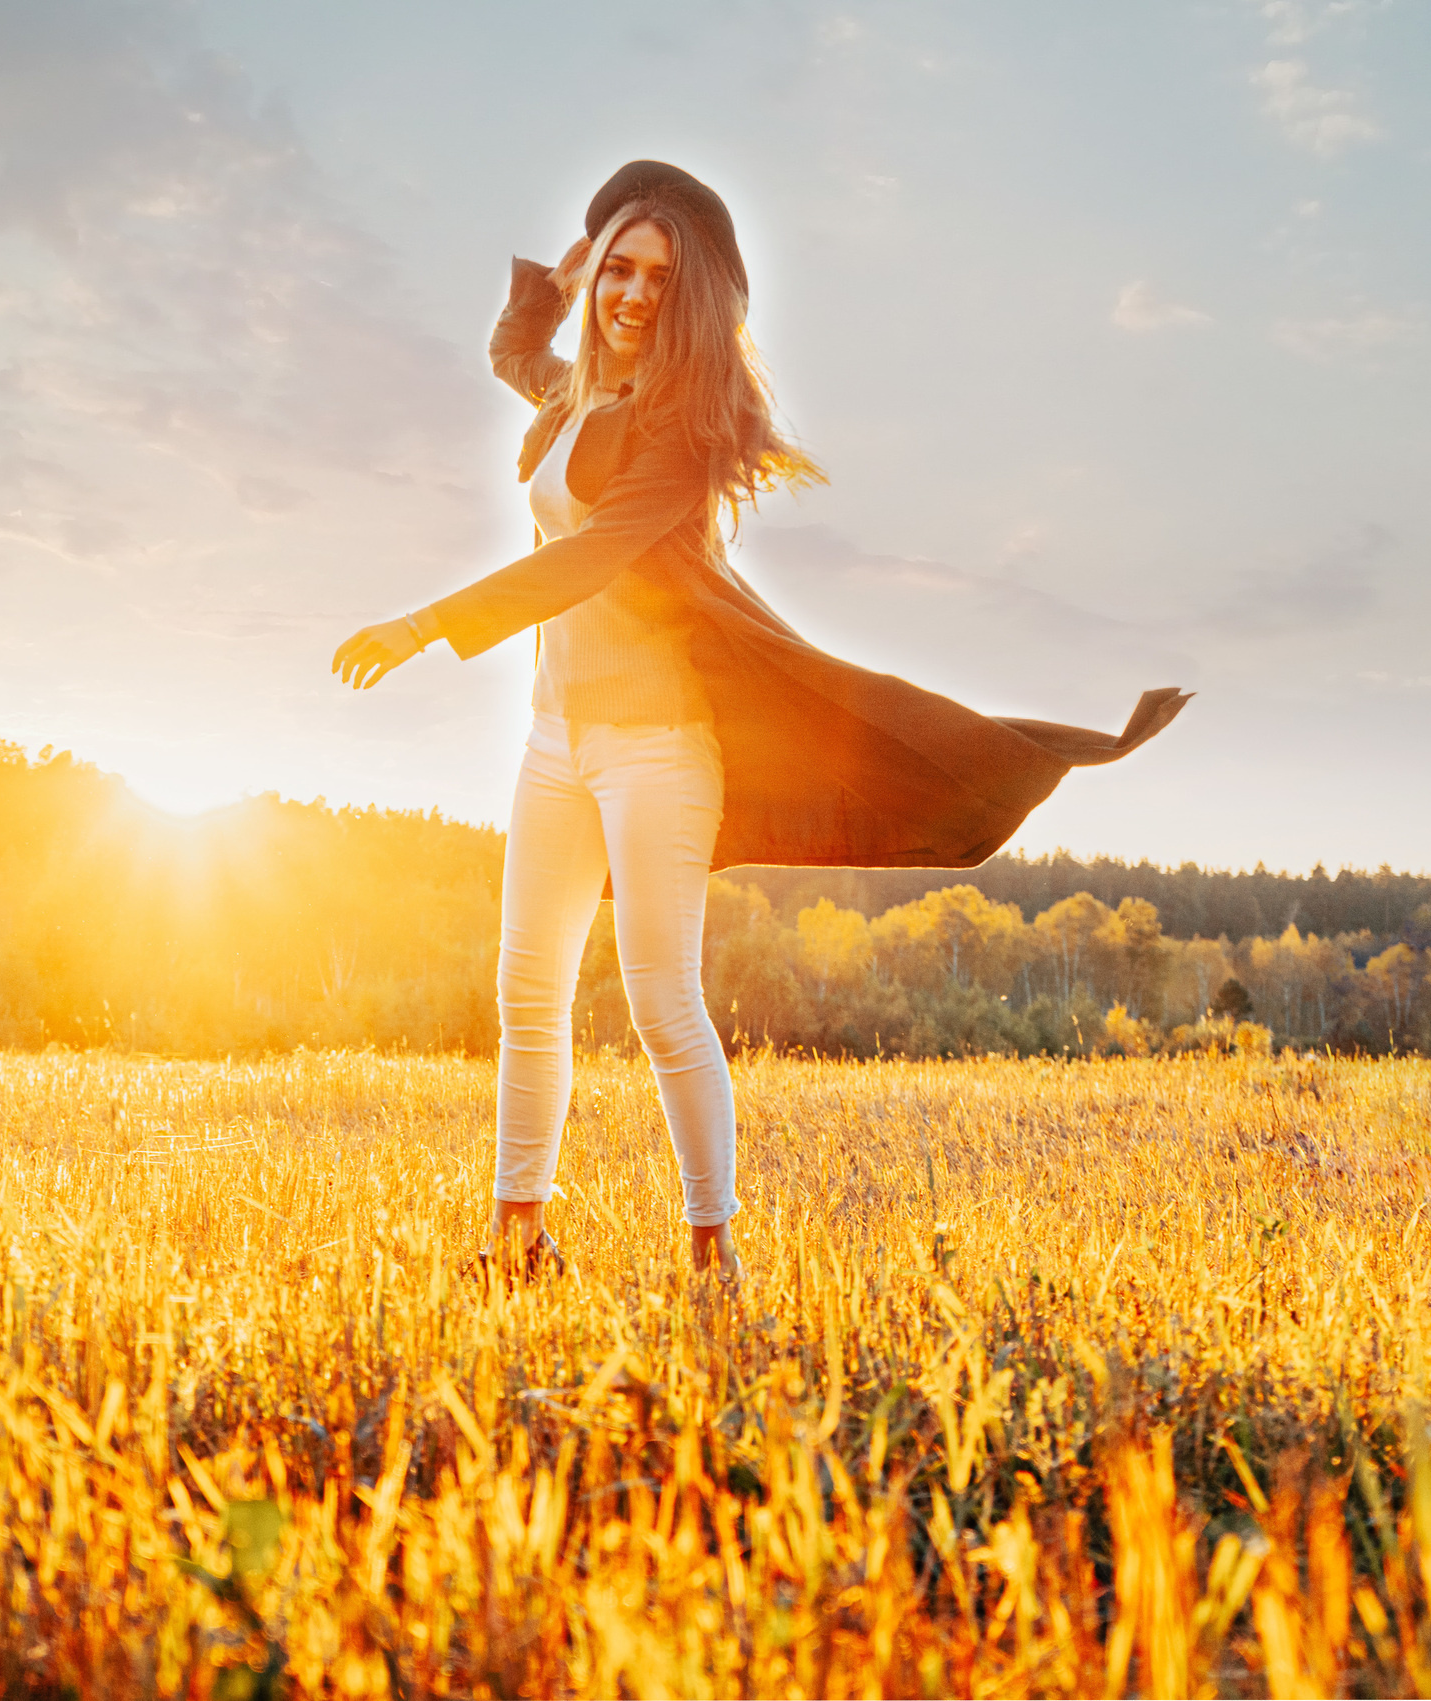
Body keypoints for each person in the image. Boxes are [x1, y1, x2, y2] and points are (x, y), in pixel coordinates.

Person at [332, 160, 1188, 1287]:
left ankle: (712, 1246)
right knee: (526, 994)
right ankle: (517, 1240)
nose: (636, 295)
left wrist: (425, 624)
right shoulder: (568, 394)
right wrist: (572, 269)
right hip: (553, 743)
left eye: (660, 280)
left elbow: (587, 559)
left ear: (689, 302)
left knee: (661, 1002)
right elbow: (510, 346)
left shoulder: (680, 434)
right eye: (624, 270)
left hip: (656, 752)